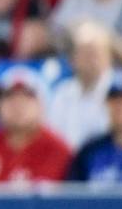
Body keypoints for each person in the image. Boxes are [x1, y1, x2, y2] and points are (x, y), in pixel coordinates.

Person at [0, 66, 72, 184]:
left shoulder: (58, 149)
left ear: (41, 104)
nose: (18, 105)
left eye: (26, 97)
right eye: (10, 97)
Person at [46, 21, 116, 150]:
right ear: (72, 59)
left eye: (96, 52)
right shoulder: (62, 93)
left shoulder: (119, 92)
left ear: (108, 57)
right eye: (86, 53)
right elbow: (51, 135)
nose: (92, 59)